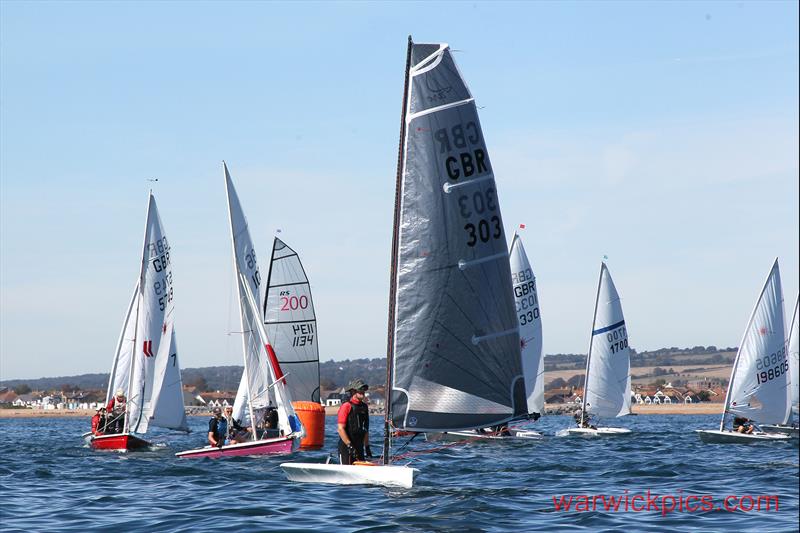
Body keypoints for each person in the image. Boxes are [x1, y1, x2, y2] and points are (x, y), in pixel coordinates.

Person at [337, 379, 372, 465]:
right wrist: (350, 446)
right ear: (353, 391)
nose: (362, 392)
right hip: (346, 447)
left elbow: (366, 429)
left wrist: (367, 447)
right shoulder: (346, 406)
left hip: (359, 446)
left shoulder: (364, 407)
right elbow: (340, 429)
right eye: (360, 390)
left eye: (363, 390)